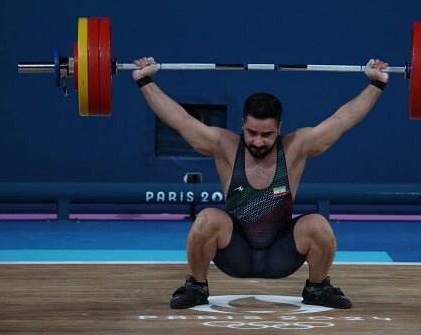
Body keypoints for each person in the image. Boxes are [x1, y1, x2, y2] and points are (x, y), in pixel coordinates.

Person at [132, 57, 389, 310]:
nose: (257, 141)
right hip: (235, 253)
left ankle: (317, 289)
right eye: (252, 133)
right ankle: (196, 287)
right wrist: (145, 81)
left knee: (318, 225)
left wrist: (376, 85)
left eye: (267, 135)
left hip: (282, 253)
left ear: (279, 128)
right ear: (242, 124)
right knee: (208, 219)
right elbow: (180, 120)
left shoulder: (296, 147)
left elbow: (342, 120)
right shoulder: (225, 146)